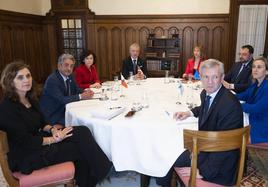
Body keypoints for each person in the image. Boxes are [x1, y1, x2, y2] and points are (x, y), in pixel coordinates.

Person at [0, 61, 113, 187]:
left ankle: (100, 171)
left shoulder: (29, 98)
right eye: (20, 77)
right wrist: (53, 139)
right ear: (10, 81)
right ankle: (99, 174)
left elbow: (43, 122)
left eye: (28, 76)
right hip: (27, 154)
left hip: (39, 140)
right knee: (79, 148)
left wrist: (53, 129)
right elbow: (26, 141)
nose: (26, 80)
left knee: (82, 131)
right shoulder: (7, 108)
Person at [157, 59, 243, 187]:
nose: (210, 82)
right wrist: (189, 113)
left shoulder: (230, 105)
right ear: (200, 78)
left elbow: (226, 148)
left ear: (222, 78)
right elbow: (205, 107)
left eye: (215, 77)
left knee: (165, 160)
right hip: (206, 146)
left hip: (219, 165)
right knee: (167, 148)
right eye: (206, 77)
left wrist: (202, 171)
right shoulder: (207, 93)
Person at [40, 54, 94, 126]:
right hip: (54, 116)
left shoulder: (70, 76)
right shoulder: (52, 80)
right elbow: (62, 99)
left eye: (71, 66)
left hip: (65, 110)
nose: (69, 68)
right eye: (66, 65)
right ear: (59, 65)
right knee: (83, 123)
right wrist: (81, 96)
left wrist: (85, 91)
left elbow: (76, 89)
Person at [236, 57, 268, 143]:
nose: (255, 69)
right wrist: (228, 96)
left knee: (235, 138)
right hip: (253, 117)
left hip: (261, 125)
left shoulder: (267, 87)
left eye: (259, 67)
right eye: (254, 66)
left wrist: (237, 104)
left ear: (266, 71)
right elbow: (244, 95)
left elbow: (255, 109)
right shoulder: (255, 84)